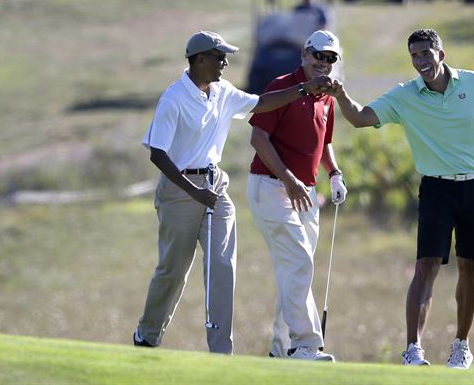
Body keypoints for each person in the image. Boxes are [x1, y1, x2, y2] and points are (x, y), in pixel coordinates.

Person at [133, 30, 332, 354]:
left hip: (215, 187)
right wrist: (192, 191)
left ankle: (221, 352)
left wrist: (303, 89)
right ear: (199, 60)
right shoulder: (174, 97)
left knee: (223, 267)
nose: (225, 63)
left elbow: (263, 103)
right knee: (173, 271)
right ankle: (147, 335)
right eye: (218, 57)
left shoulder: (223, 92)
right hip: (180, 190)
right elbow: (158, 152)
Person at [328, 28, 474, 369]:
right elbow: (360, 118)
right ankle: (413, 349)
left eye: (425, 54)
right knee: (426, 265)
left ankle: (461, 346)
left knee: (469, 265)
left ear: (440, 54)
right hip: (436, 190)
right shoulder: (404, 96)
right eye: (414, 56)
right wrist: (340, 94)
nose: (420, 62)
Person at [246, 30, 347, 362]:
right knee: (299, 262)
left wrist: (333, 173)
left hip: (304, 191)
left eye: (331, 58)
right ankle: (305, 344)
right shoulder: (281, 87)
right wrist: (288, 179)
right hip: (270, 187)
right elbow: (259, 138)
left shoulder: (328, 97)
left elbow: (325, 143)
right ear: (304, 54)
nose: (324, 63)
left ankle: (280, 347)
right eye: (319, 55)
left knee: (294, 271)